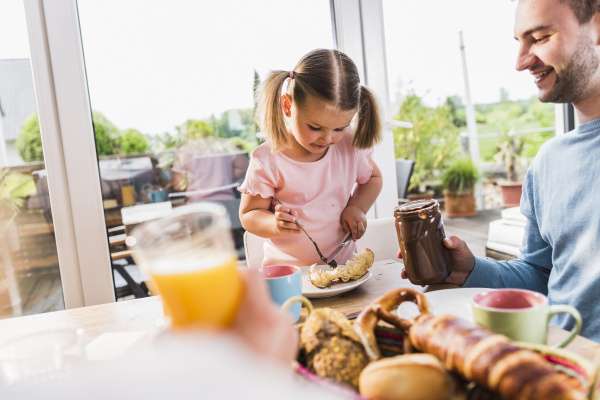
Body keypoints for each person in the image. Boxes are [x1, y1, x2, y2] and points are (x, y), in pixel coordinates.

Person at [401, 0, 600, 342]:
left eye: (539, 38)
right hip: (558, 367)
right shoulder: (548, 163)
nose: (521, 61)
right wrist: (472, 270)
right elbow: (541, 275)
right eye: (519, 42)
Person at [238, 49, 383, 268]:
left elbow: (373, 178)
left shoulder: (349, 145)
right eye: (315, 127)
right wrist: (273, 224)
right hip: (289, 277)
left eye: (339, 128)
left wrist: (357, 207)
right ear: (288, 106)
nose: (327, 138)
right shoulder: (268, 160)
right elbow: (249, 214)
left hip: (343, 271)